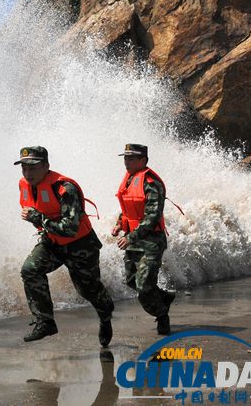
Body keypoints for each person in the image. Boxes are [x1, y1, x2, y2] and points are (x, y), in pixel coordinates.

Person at [17, 146, 114, 345]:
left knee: (88, 290)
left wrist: (38, 218)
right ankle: (45, 322)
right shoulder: (24, 185)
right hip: (52, 242)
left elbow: (69, 228)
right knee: (30, 270)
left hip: (80, 245)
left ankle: (105, 315)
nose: (28, 173)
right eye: (24, 168)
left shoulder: (64, 188)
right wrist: (39, 221)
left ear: (46, 166)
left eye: (33, 167)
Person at [111, 143, 176, 335]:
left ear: (143, 160)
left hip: (151, 241)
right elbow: (128, 208)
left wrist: (131, 237)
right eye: (125, 158)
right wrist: (119, 224)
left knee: (144, 285)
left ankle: (162, 315)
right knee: (132, 281)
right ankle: (164, 298)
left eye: (131, 159)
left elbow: (152, 216)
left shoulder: (151, 183)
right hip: (134, 240)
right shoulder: (129, 179)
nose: (127, 162)